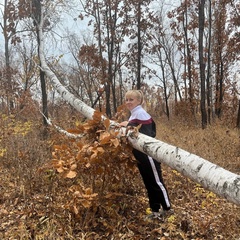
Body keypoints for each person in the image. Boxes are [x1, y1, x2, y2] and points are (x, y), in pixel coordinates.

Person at [120, 90, 171, 219]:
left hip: (149, 156)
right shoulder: (134, 114)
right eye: (126, 100)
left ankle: (168, 209)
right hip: (140, 156)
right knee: (148, 183)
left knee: (156, 182)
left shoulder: (141, 113)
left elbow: (148, 133)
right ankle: (155, 211)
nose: (128, 102)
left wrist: (128, 125)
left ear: (139, 101)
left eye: (131, 99)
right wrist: (127, 125)